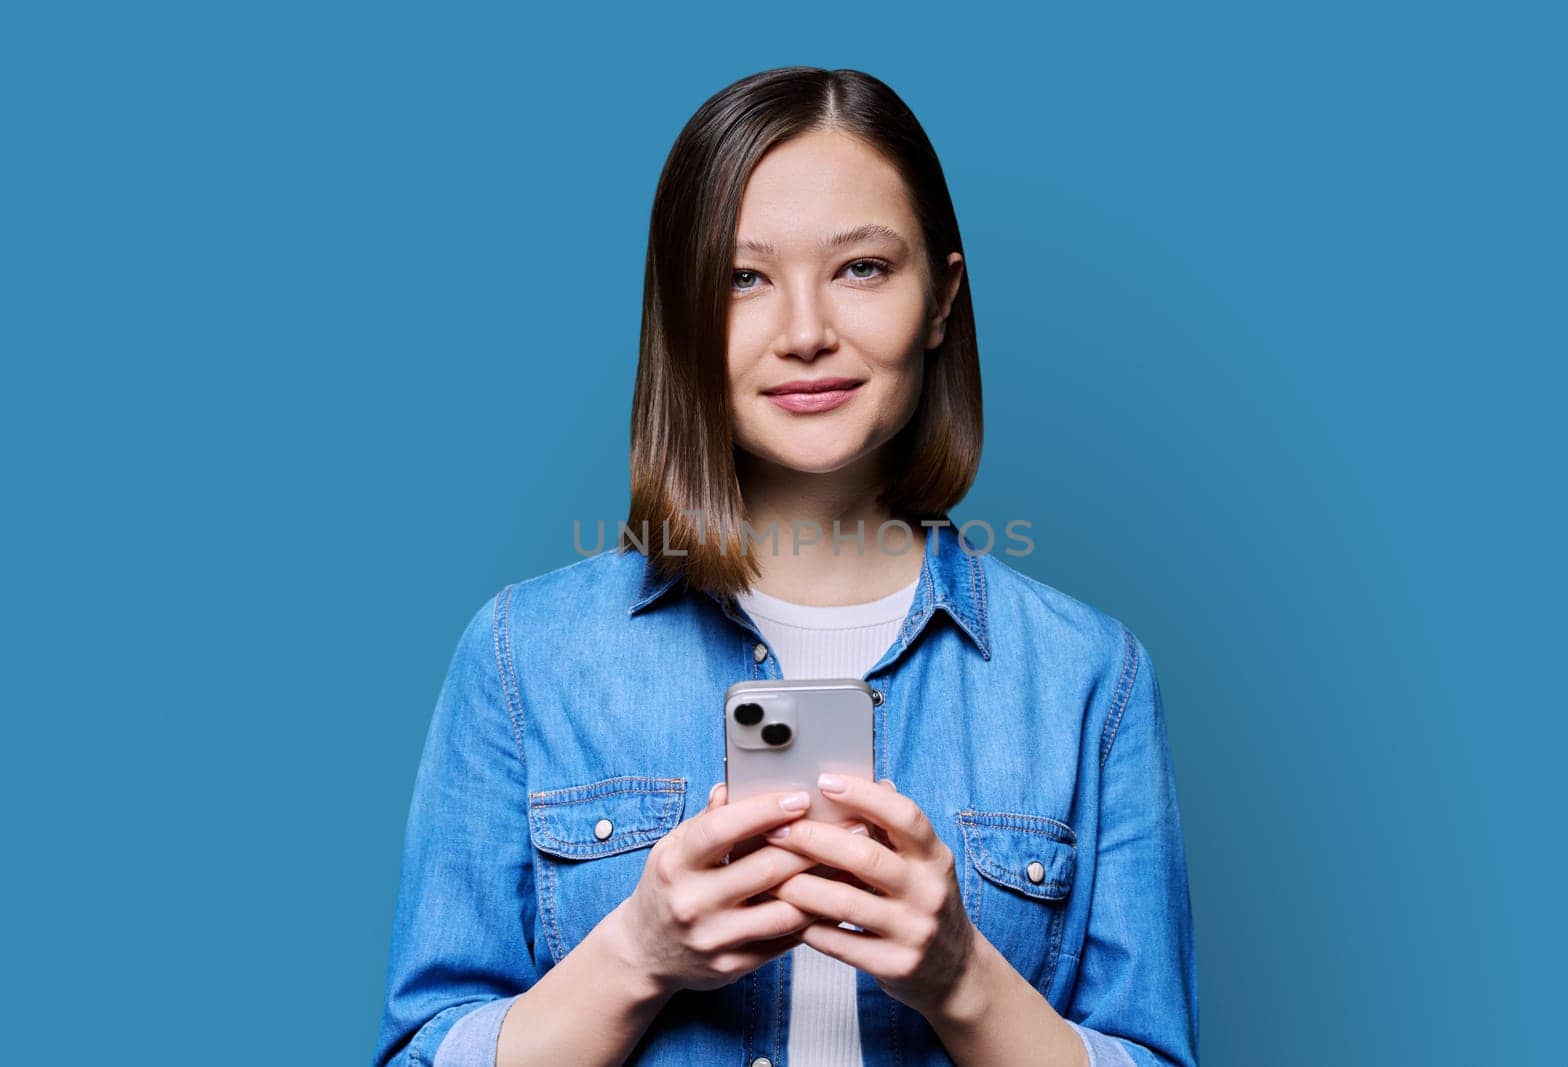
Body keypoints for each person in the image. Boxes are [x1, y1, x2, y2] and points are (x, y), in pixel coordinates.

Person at [372, 66, 1198, 1067]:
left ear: (940, 297)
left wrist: (960, 977)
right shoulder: (523, 654)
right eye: (741, 277)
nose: (806, 331)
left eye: (861, 267)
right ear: (684, 314)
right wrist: (637, 951)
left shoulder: (1085, 676)